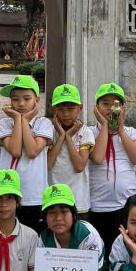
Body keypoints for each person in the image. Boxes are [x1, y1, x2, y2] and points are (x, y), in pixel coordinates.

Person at [86, 83, 136, 251]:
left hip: (126, 205)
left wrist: (120, 130)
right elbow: (97, 158)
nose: (110, 109)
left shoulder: (131, 132)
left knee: (126, 252)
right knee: (101, 252)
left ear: (123, 109)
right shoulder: (90, 132)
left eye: (116, 104)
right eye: (105, 104)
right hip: (98, 205)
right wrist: (105, 127)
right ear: (96, 108)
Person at [0, 74, 54, 231]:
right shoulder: (4, 123)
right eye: (15, 99)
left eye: (27, 99)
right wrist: (18, 120)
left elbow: (32, 151)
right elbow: (15, 150)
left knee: (34, 238)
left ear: (36, 100)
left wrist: (24, 120)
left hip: (35, 196)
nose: (21, 104)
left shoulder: (44, 123)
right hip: (7, 195)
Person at [46, 83, 94, 213]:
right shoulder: (50, 131)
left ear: (80, 108)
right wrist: (61, 136)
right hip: (54, 199)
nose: (66, 114)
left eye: (71, 108)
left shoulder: (85, 132)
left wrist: (68, 137)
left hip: (78, 201)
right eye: (60, 109)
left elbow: (79, 166)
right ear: (54, 110)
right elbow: (48, 164)